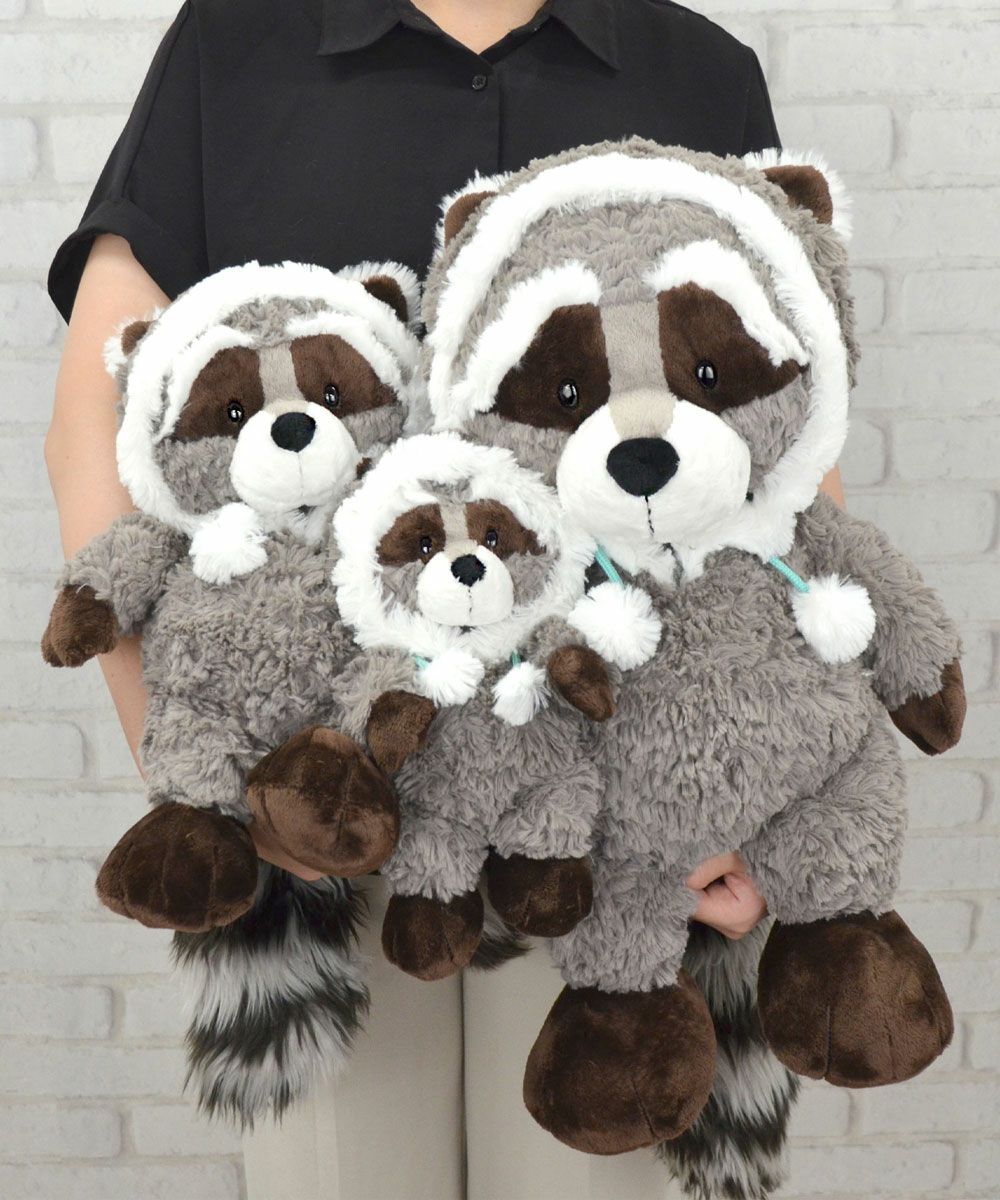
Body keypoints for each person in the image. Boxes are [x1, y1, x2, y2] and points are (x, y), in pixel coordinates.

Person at [45, 3, 843, 1197]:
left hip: (618, 790)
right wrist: (203, 784)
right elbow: (96, 426)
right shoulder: (233, 47)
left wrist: (757, 789)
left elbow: (792, 461)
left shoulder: (695, 74)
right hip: (316, 786)